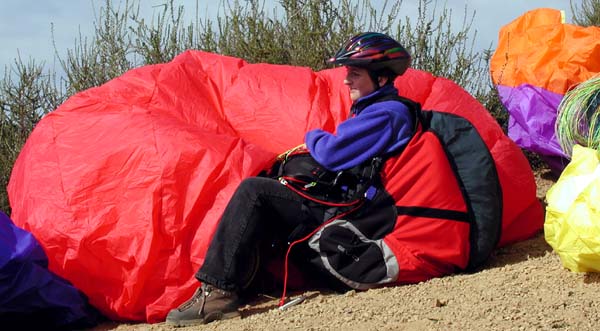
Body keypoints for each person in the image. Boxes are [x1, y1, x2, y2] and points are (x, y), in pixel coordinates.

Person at [165, 32, 415, 326]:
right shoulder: (377, 111)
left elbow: (331, 153)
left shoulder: (387, 114)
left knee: (255, 192)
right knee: (271, 188)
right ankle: (242, 283)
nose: (347, 81)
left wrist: (312, 134)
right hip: (345, 203)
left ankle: (216, 290)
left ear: (382, 79)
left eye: (355, 74)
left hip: (350, 213)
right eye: (347, 73)